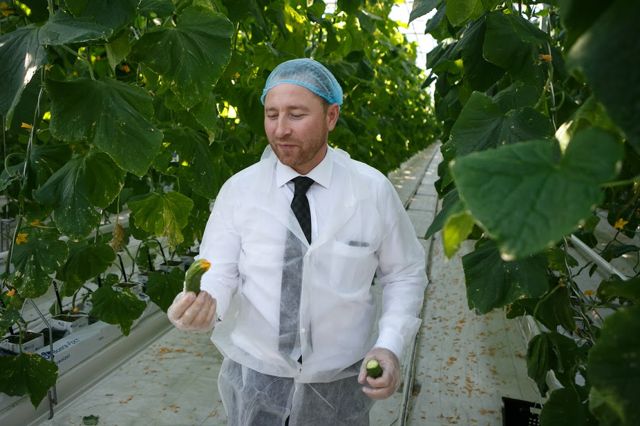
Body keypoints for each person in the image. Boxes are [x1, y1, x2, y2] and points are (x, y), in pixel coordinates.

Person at [167, 58, 426, 425]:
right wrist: (207, 304)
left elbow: (404, 274)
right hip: (257, 379)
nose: (280, 129)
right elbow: (219, 270)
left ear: (331, 116)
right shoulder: (240, 191)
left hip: (340, 384)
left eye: (296, 114)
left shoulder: (371, 191)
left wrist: (390, 345)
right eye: (271, 114)